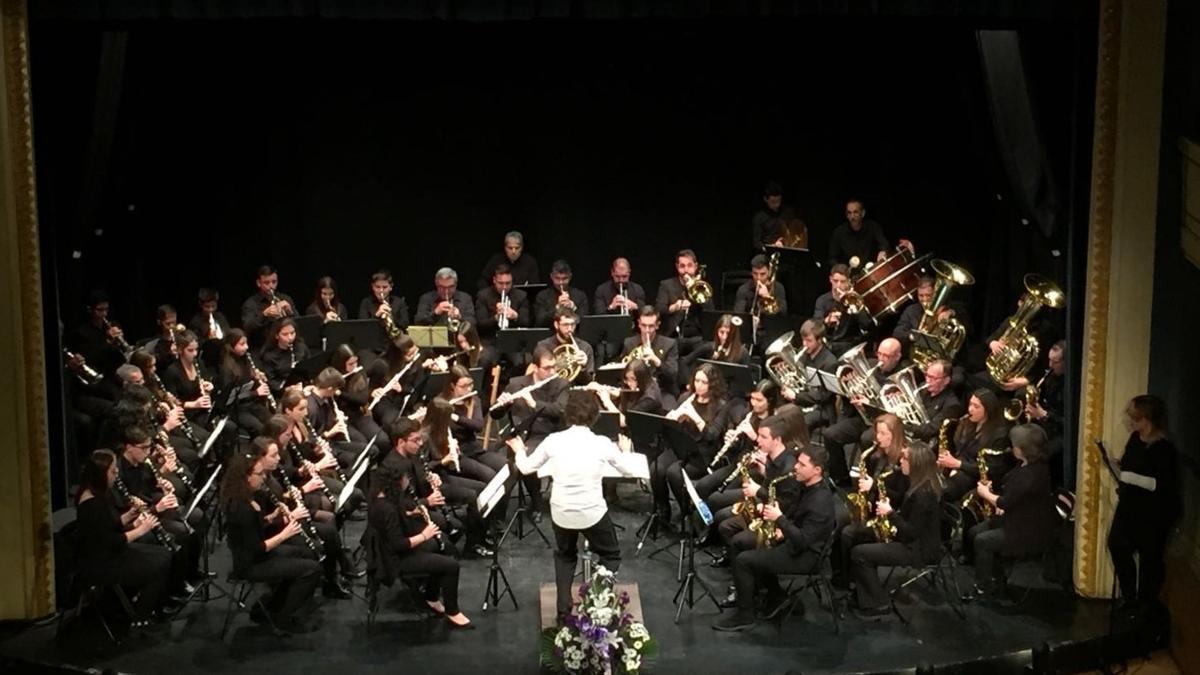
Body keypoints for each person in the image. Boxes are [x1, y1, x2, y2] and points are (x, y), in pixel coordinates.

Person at [508, 390, 642, 621]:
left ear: (568, 416)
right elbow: (630, 471)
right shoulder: (601, 443)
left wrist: (520, 451)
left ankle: (563, 610)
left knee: (565, 556)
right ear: (594, 417)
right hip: (592, 513)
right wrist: (626, 450)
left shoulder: (553, 441)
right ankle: (597, 600)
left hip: (561, 512)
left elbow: (527, 468)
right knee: (611, 556)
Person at [712, 444, 836, 631]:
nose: (795, 467)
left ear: (817, 470)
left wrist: (780, 520)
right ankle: (774, 594)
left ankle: (745, 615)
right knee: (740, 543)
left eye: (802, 465)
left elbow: (803, 540)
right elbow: (797, 514)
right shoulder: (808, 487)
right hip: (793, 541)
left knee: (744, 560)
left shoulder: (820, 501)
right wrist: (781, 527)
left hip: (806, 556)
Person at [220, 451, 321, 633]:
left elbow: (255, 530)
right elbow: (256, 548)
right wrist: (285, 533)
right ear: (246, 478)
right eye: (259, 474)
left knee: (305, 553)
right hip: (250, 564)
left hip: (258, 556)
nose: (263, 477)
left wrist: (272, 516)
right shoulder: (242, 509)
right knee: (312, 569)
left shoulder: (250, 497)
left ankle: (273, 607)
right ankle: (283, 617)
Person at [362, 462, 473, 628]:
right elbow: (398, 544)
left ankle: (431, 596)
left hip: (389, 552)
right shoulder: (386, 508)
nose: (409, 480)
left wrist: (411, 512)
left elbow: (395, 520)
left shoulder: (384, 498)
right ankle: (452, 611)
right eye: (406, 477)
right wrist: (424, 535)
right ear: (397, 481)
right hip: (392, 561)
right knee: (451, 565)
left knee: (441, 546)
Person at [74, 449, 173, 626]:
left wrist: (129, 518)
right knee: (161, 561)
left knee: (162, 554)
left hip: (108, 554)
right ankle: (141, 616)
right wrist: (141, 529)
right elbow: (110, 541)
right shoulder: (91, 504)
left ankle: (133, 603)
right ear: (100, 475)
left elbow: (106, 526)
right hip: (101, 563)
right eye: (113, 471)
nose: (116, 474)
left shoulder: (97, 494)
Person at [1105, 395, 1181, 617]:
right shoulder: (1135, 439)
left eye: (1133, 416)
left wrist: (1130, 477)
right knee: (1117, 545)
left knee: (1150, 559)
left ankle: (1146, 603)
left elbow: (1162, 485)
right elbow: (1128, 466)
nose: (1129, 420)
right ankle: (1129, 597)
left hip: (1152, 514)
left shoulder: (1164, 448)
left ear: (1145, 418)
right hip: (1130, 506)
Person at [848, 442, 943, 617]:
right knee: (859, 536)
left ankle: (878, 603)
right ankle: (862, 592)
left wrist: (890, 513)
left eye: (905, 458)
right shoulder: (918, 484)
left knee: (860, 553)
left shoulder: (923, 495)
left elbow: (911, 532)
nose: (901, 462)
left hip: (918, 550)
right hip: (910, 541)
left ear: (917, 463)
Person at [965, 424, 1058, 601]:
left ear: (1024, 450)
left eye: (1016, 445)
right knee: (974, 532)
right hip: (1017, 518)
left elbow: (1006, 502)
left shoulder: (1031, 474)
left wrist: (986, 494)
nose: (1012, 448)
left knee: (982, 540)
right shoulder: (1025, 465)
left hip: (1027, 530)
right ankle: (997, 577)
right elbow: (1014, 496)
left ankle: (985, 587)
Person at [489, 346, 570, 522]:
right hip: (519, 434)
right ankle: (497, 516)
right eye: (547, 368)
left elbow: (560, 410)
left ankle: (537, 502)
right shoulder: (516, 383)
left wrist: (534, 403)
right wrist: (502, 404)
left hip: (547, 435)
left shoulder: (561, 384)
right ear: (535, 367)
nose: (552, 372)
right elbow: (495, 414)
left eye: (553, 367)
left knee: (526, 460)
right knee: (503, 466)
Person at [938, 389, 1012, 503]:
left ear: (988, 410)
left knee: (940, 492)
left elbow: (992, 469)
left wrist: (959, 465)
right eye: (970, 404)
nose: (970, 409)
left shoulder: (999, 435)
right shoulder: (967, 423)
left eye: (976, 406)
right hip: (959, 467)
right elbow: (960, 449)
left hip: (976, 477)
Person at [655, 249, 715, 356]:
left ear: (695, 266)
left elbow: (711, 311)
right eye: (682, 266)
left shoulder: (702, 286)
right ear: (677, 267)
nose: (686, 270)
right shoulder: (666, 285)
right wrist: (674, 307)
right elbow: (658, 310)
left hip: (698, 337)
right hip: (673, 336)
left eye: (689, 265)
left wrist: (694, 288)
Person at [812, 264, 871, 357]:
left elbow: (866, 324)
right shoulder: (822, 300)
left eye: (842, 282)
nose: (838, 285)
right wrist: (827, 321)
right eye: (835, 281)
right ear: (830, 279)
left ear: (848, 282)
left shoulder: (854, 299)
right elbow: (815, 327)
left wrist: (855, 305)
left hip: (848, 346)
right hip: (827, 345)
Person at [618, 306, 680, 396]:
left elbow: (672, 375)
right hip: (635, 391)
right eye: (643, 325)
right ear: (638, 323)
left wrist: (656, 360)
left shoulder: (669, 344)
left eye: (651, 326)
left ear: (657, 325)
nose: (647, 330)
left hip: (662, 391)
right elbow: (622, 372)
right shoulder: (629, 343)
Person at [827, 198, 900, 270]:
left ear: (863, 213)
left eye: (855, 212)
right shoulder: (839, 232)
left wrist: (883, 251)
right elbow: (832, 258)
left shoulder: (873, 226)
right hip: (851, 276)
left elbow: (884, 244)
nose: (852, 216)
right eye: (849, 213)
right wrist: (840, 269)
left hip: (873, 270)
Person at [240, 265, 296, 349]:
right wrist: (264, 314)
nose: (271, 286)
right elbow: (247, 327)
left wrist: (290, 311)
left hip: (286, 345)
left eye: (274, 282)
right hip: (262, 348)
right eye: (266, 283)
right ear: (259, 283)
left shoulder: (285, 298)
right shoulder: (250, 304)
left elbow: (300, 324)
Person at [535, 307, 595, 383]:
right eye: (565, 324)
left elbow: (588, 382)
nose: (570, 329)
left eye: (572, 324)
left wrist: (583, 367)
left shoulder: (585, 347)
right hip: (551, 390)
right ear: (556, 325)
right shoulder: (543, 346)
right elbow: (537, 376)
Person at [474, 263, 530, 340]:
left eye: (508, 283)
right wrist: (496, 318)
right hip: (491, 340)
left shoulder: (521, 296)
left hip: (514, 339)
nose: (505, 287)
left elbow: (527, 323)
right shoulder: (483, 295)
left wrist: (515, 316)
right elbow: (480, 325)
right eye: (501, 283)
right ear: (494, 280)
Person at [258, 318, 310, 397]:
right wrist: (286, 389)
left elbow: (310, 366)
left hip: (303, 386)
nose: (290, 337)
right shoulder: (269, 356)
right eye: (285, 334)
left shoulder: (301, 347)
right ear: (276, 335)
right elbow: (271, 382)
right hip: (284, 394)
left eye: (292, 333)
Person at [533, 260, 588, 327]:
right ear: (552, 277)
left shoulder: (580, 296)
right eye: (557, 278)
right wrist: (557, 308)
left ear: (570, 277)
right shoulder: (542, 296)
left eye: (564, 278)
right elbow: (539, 321)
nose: (560, 282)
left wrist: (573, 308)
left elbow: (586, 323)